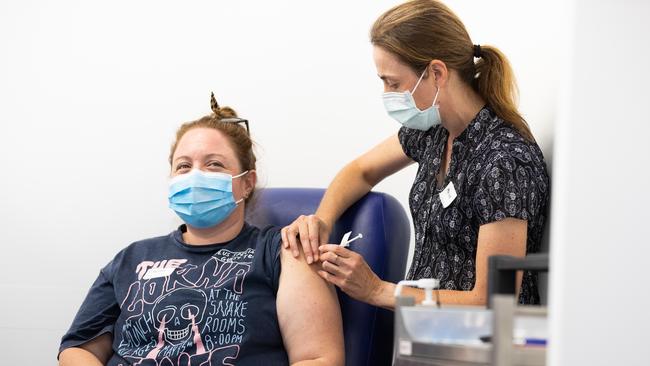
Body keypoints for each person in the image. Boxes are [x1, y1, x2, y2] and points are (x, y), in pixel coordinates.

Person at [282, 0, 549, 308]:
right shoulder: (434, 131)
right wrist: (322, 221)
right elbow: (360, 171)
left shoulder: (504, 159)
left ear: (436, 73)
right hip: (426, 338)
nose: (387, 94)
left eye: (393, 82)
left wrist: (378, 290)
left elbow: (492, 300)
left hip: (479, 349)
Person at [58, 94, 344, 366]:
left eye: (214, 164)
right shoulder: (131, 258)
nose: (196, 176)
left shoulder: (284, 252)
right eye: (183, 166)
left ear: (247, 183)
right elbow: (77, 348)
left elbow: (319, 359)